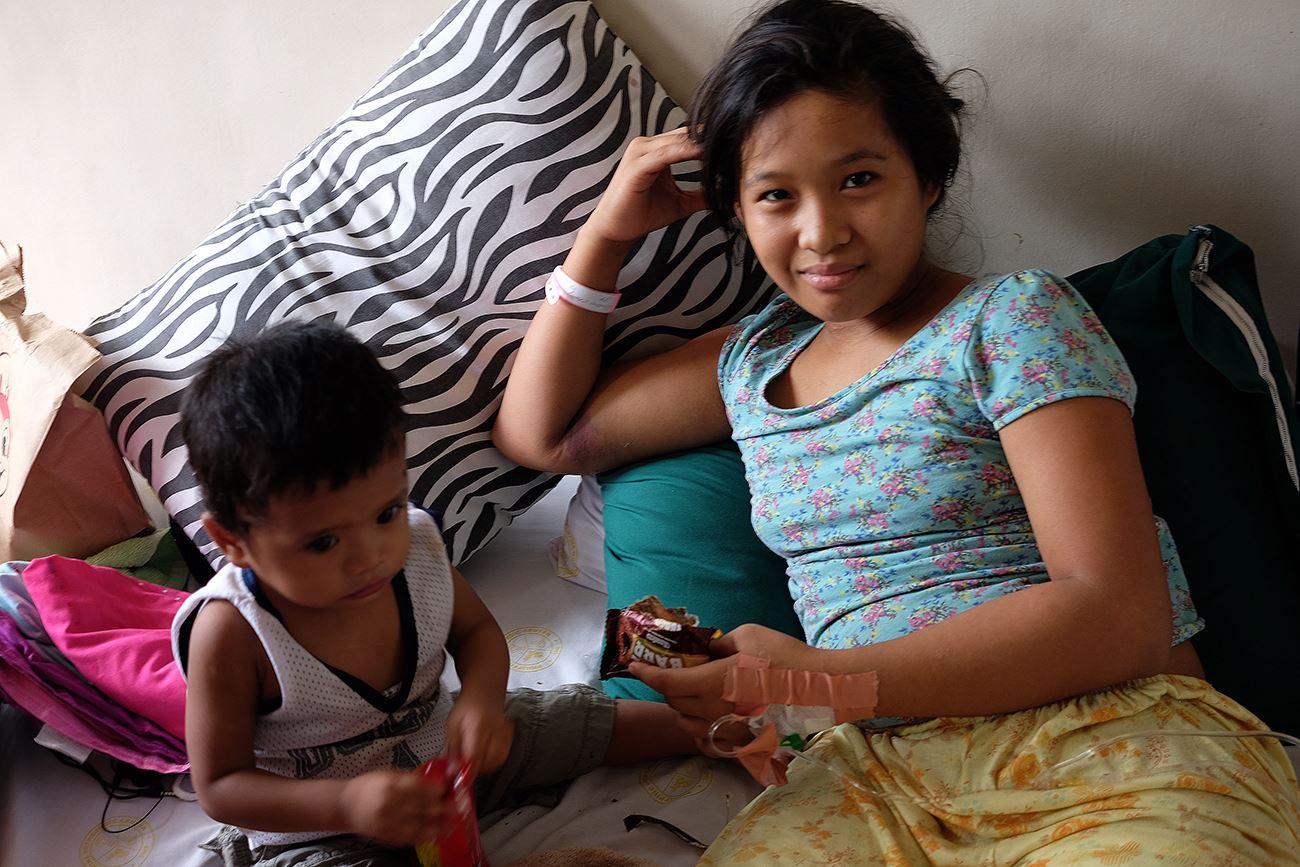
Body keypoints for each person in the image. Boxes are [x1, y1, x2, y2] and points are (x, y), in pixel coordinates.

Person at [493, 0, 1300, 861]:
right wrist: (606, 236)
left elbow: (1120, 616)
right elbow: (544, 438)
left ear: (928, 176)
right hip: (870, 778)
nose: (822, 233)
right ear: (736, 209)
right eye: (775, 195)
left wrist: (818, 681)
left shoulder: (1014, 319)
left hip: (1105, 741)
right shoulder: (751, 359)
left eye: (858, 180)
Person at [172, 319, 695, 866]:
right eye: (323, 542)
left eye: (386, 512)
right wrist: (347, 804)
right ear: (233, 542)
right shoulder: (233, 631)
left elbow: (476, 634)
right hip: (325, 833)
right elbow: (222, 786)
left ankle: (723, 731)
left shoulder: (417, 545)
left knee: (573, 722)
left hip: (446, 759)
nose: (370, 556)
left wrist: (480, 703)